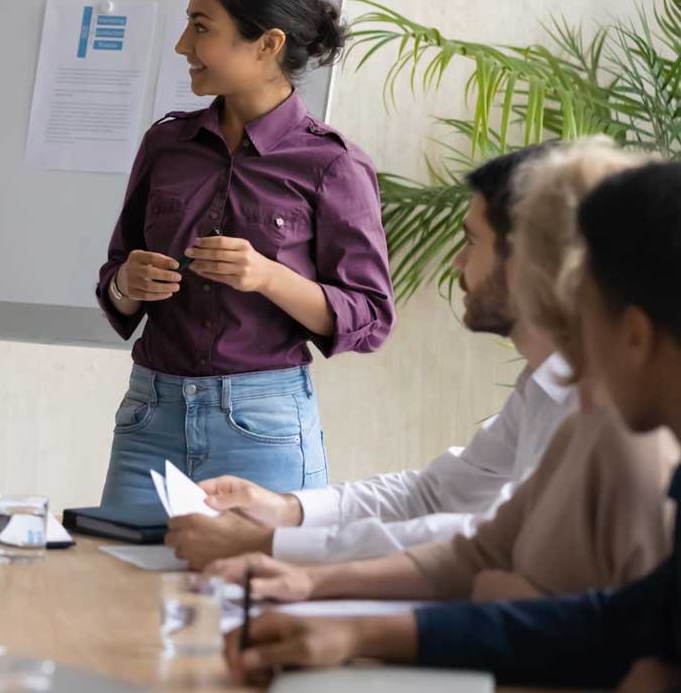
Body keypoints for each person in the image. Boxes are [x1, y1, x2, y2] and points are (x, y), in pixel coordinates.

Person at [223, 160, 681, 693]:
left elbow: (633, 661)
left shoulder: (632, 443)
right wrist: (350, 624)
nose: (569, 322)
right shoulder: (579, 419)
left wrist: (508, 596)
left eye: (586, 304)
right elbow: (620, 620)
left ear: (633, 335)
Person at [166, 146, 576, 569]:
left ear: (533, 260)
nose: (458, 260)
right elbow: (432, 496)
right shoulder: (543, 384)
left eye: (473, 241)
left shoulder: (604, 407)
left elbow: (485, 536)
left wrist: (268, 544)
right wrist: (286, 510)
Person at [95, 0, 394, 506]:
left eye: (201, 27)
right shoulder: (167, 144)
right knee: (120, 583)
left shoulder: (333, 164)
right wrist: (126, 284)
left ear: (267, 44)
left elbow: (371, 317)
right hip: (148, 417)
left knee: (259, 591)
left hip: (264, 424)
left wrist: (267, 277)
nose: (184, 45)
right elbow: (115, 276)